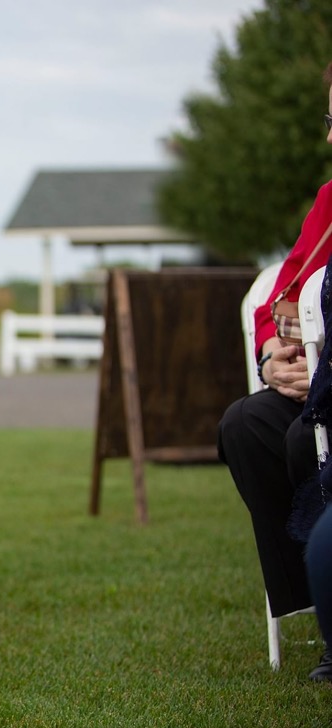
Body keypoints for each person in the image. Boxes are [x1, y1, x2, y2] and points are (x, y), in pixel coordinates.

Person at [218, 61, 332, 680]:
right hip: (316, 383)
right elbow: (276, 298)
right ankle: (317, 605)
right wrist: (271, 357)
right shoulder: (330, 202)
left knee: (299, 439)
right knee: (245, 423)